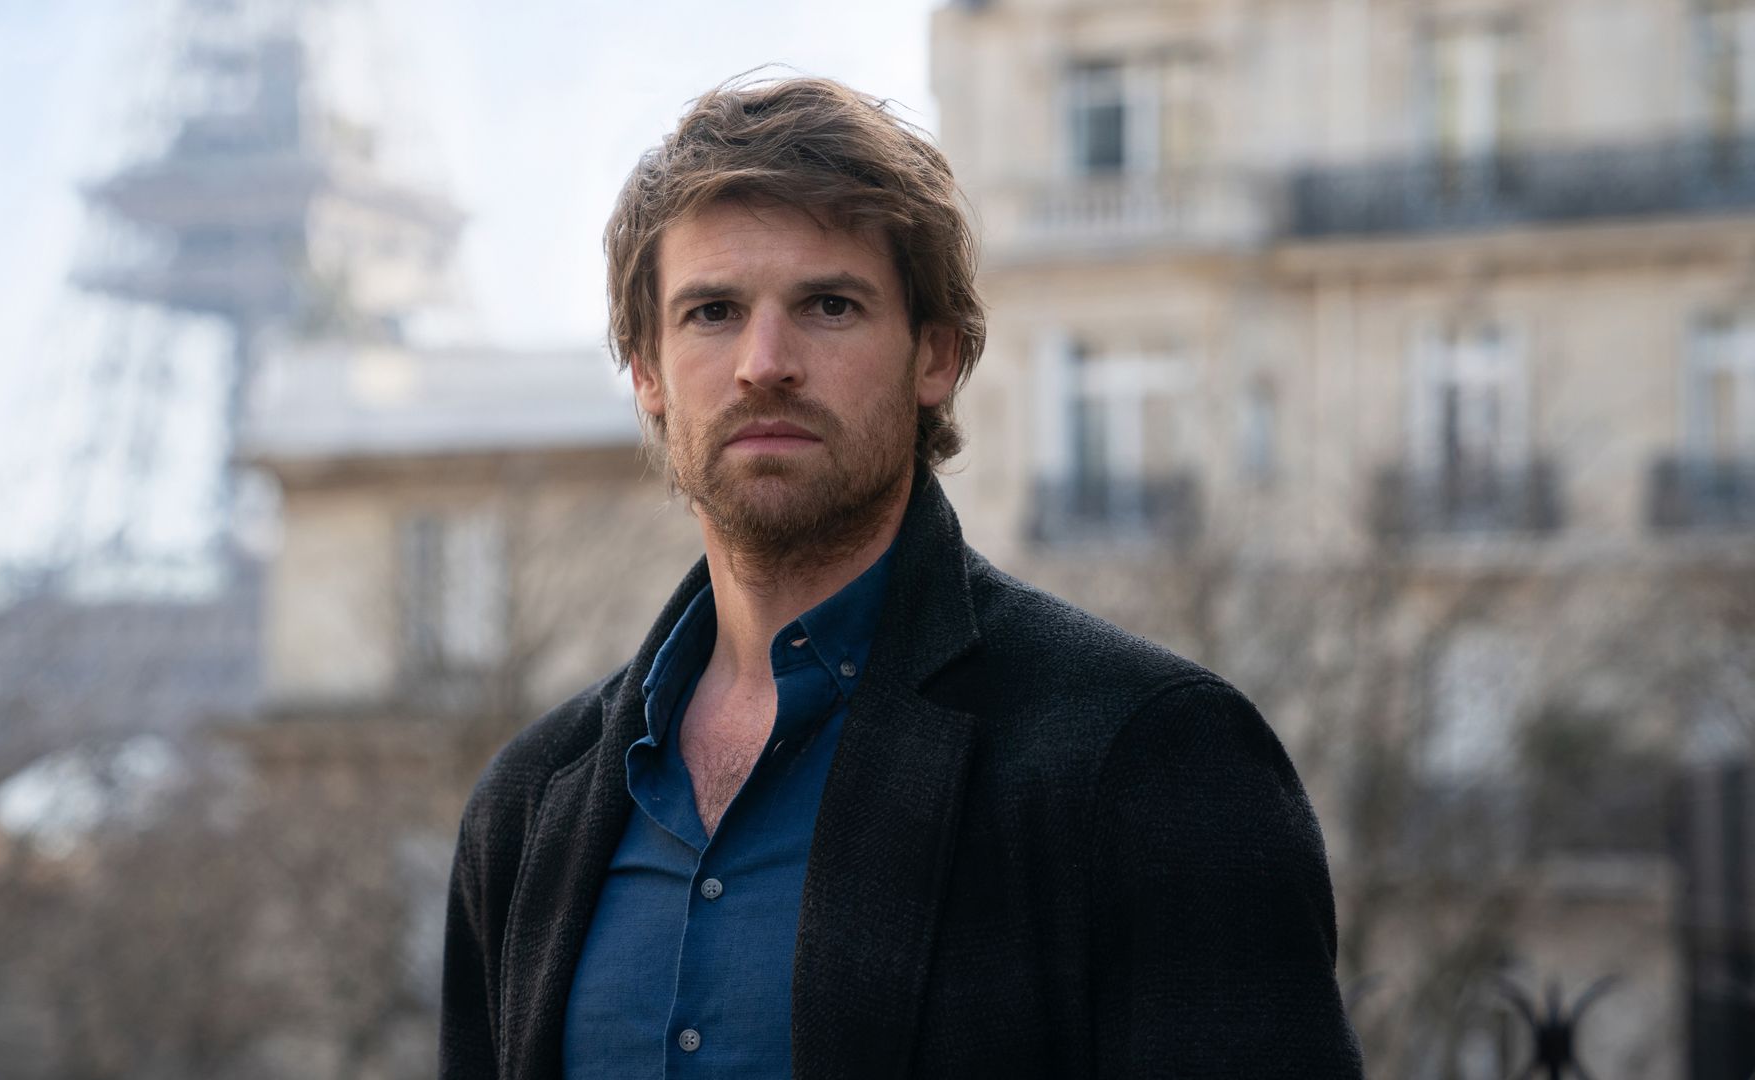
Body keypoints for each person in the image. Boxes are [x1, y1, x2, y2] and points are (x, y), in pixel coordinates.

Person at [438, 75, 1363, 1079]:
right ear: (646, 372)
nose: (764, 362)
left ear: (936, 356)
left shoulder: (1151, 759)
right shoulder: (528, 809)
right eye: (712, 311)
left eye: (828, 305)